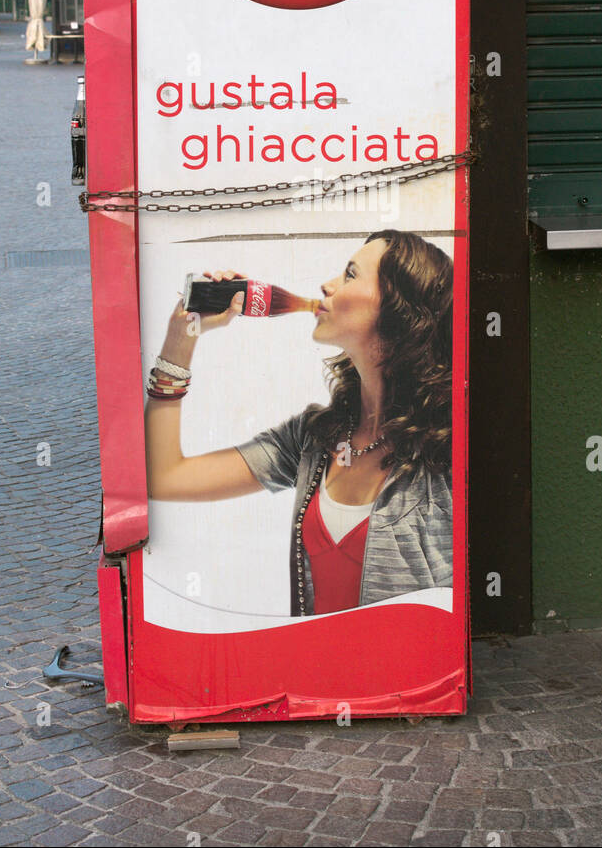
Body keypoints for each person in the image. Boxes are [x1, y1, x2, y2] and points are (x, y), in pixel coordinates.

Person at [145, 229, 453, 617]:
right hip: (315, 670)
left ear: (397, 309)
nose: (327, 285)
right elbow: (164, 478)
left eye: (351, 274)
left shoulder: (446, 445)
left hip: (410, 674)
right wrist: (181, 341)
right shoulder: (313, 439)